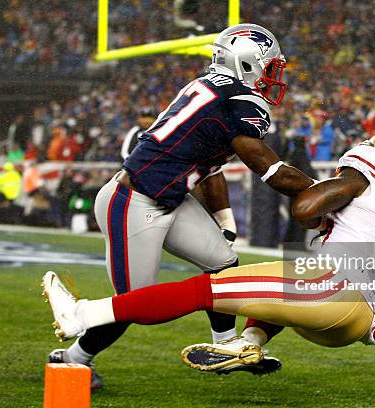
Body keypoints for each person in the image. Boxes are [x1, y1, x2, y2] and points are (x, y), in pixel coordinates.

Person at [46, 24, 314, 387]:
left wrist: (224, 218)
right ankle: (73, 358)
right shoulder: (240, 101)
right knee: (135, 304)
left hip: (166, 197)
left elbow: (209, 168)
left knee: (223, 264)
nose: (273, 77)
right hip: (134, 199)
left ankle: (225, 346)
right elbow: (264, 164)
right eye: (268, 67)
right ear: (246, 64)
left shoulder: (213, 88)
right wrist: (317, 192)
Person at [42, 130, 375, 374]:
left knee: (205, 289)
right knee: (283, 284)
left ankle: (81, 314)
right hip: (357, 322)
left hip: (331, 288)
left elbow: (306, 209)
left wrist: (307, 191)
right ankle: (249, 343)